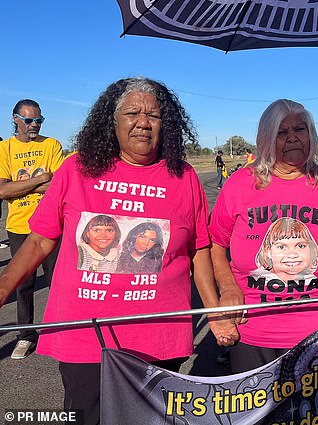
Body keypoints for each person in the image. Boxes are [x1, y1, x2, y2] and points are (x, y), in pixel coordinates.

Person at [0, 77, 230, 424]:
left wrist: (214, 311)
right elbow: (40, 240)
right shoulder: (76, 170)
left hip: (159, 336)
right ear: (113, 119)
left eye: (153, 115)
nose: (143, 122)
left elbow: (199, 250)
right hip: (85, 334)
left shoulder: (184, 177)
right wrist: (3, 288)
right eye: (132, 112)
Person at [210, 99, 318, 373]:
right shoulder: (239, 184)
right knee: (256, 412)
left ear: (311, 135)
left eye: (300, 129)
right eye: (281, 132)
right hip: (252, 329)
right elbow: (215, 244)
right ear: (266, 139)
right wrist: (227, 289)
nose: (292, 138)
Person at [0, 99, 64, 359]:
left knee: (57, 282)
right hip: (18, 226)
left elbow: (58, 185)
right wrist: (40, 179)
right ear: (16, 119)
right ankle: (26, 335)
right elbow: (3, 191)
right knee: (23, 284)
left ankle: (60, 330)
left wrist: (21, 185)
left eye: (39, 120)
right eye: (29, 120)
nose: (34, 125)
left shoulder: (51, 145)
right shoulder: (5, 148)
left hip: (50, 224)